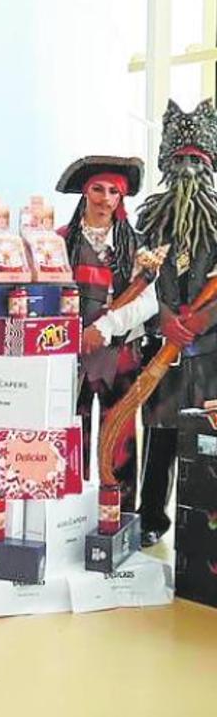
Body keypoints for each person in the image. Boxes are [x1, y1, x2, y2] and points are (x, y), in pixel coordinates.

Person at [134, 98, 217, 547]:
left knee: (207, 441)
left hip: (209, 355)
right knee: (160, 439)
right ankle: (151, 518)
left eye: (196, 161)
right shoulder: (149, 224)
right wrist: (161, 318)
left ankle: (205, 526)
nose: (187, 169)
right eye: (181, 160)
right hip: (162, 353)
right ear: (167, 163)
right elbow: (137, 281)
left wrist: (204, 318)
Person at [56, 156, 157, 507]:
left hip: (121, 355)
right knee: (72, 437)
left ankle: (119, 515)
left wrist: (105, 328)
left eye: (113, 191)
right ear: (86, 193)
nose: (105, 198)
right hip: (71, 357)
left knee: (120, 439)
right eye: (98, 189)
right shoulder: (60, 241)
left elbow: (148, 302)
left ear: (121, 197)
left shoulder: (138, 247)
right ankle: (69, 515)